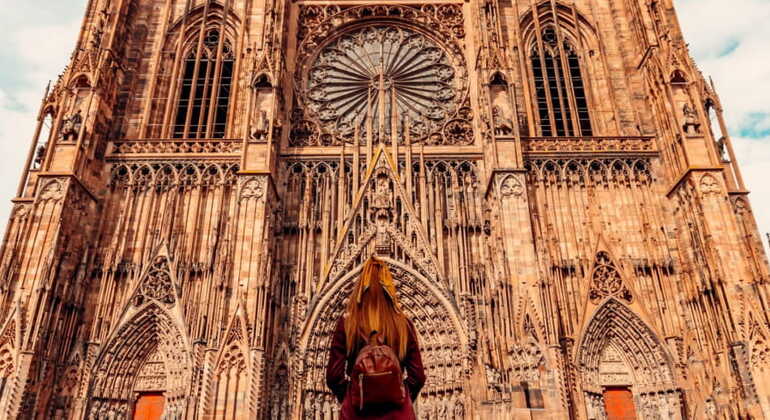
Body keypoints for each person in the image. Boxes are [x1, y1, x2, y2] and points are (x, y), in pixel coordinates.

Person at [326, 257, 426, 420]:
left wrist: (353, 396)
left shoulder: (347, 323)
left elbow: (333, 376)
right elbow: (418, 377)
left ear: (360, 288)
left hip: (357, 414)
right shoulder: (403, 324)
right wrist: (399, 395)